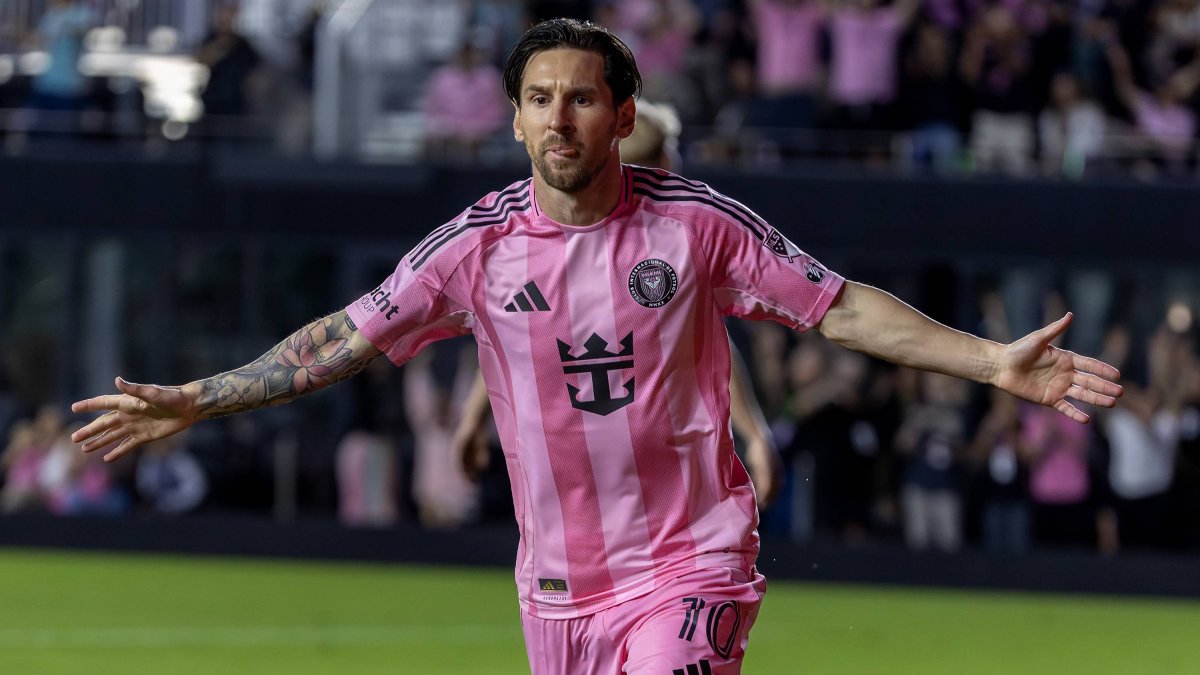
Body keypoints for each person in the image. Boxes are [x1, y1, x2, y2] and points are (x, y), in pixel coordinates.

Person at [71, 19, 1123, 674]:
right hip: (557, 588)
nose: (559, 119)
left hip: (692, 558)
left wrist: (992, 361)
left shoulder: (698, 226)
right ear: (515, 122)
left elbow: (839, 308)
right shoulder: (473, 250)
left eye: (580, 98)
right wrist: (199, 398)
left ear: (623, 117)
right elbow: (345, 336)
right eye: (539, 100)